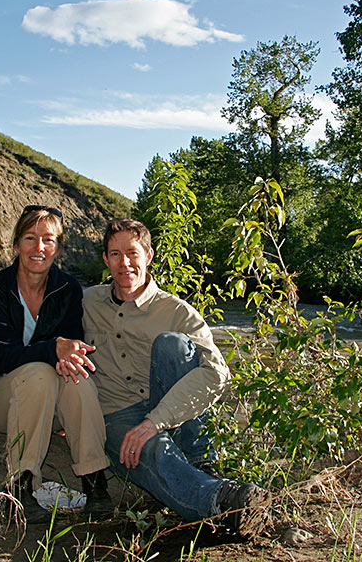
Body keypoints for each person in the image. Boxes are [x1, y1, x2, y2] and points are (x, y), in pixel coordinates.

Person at [83, 218, 268, 535]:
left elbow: (217, 373)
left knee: (173, 345)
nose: (124, 263)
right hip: (117, 415)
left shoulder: (177, 310)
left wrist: (155, 421)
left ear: (149, 255)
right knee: (150, 449)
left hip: (169, 410)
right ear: (105, 259)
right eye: (115, 254)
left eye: (132, 253)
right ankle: (223, 502)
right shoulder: (86, 302)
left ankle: (198, 459)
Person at [0, 205, 111, 523]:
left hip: (48, 402)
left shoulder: (68, 289)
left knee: (78, 377)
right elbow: (4, 356)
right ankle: (20, 488)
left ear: (59, 247)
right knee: (38, 373)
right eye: (30, 238)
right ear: (16, 244)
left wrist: (65, 356)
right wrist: (53, 349)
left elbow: (70, 350)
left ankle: (95, 481)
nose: (39, 247)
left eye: (48, 239)